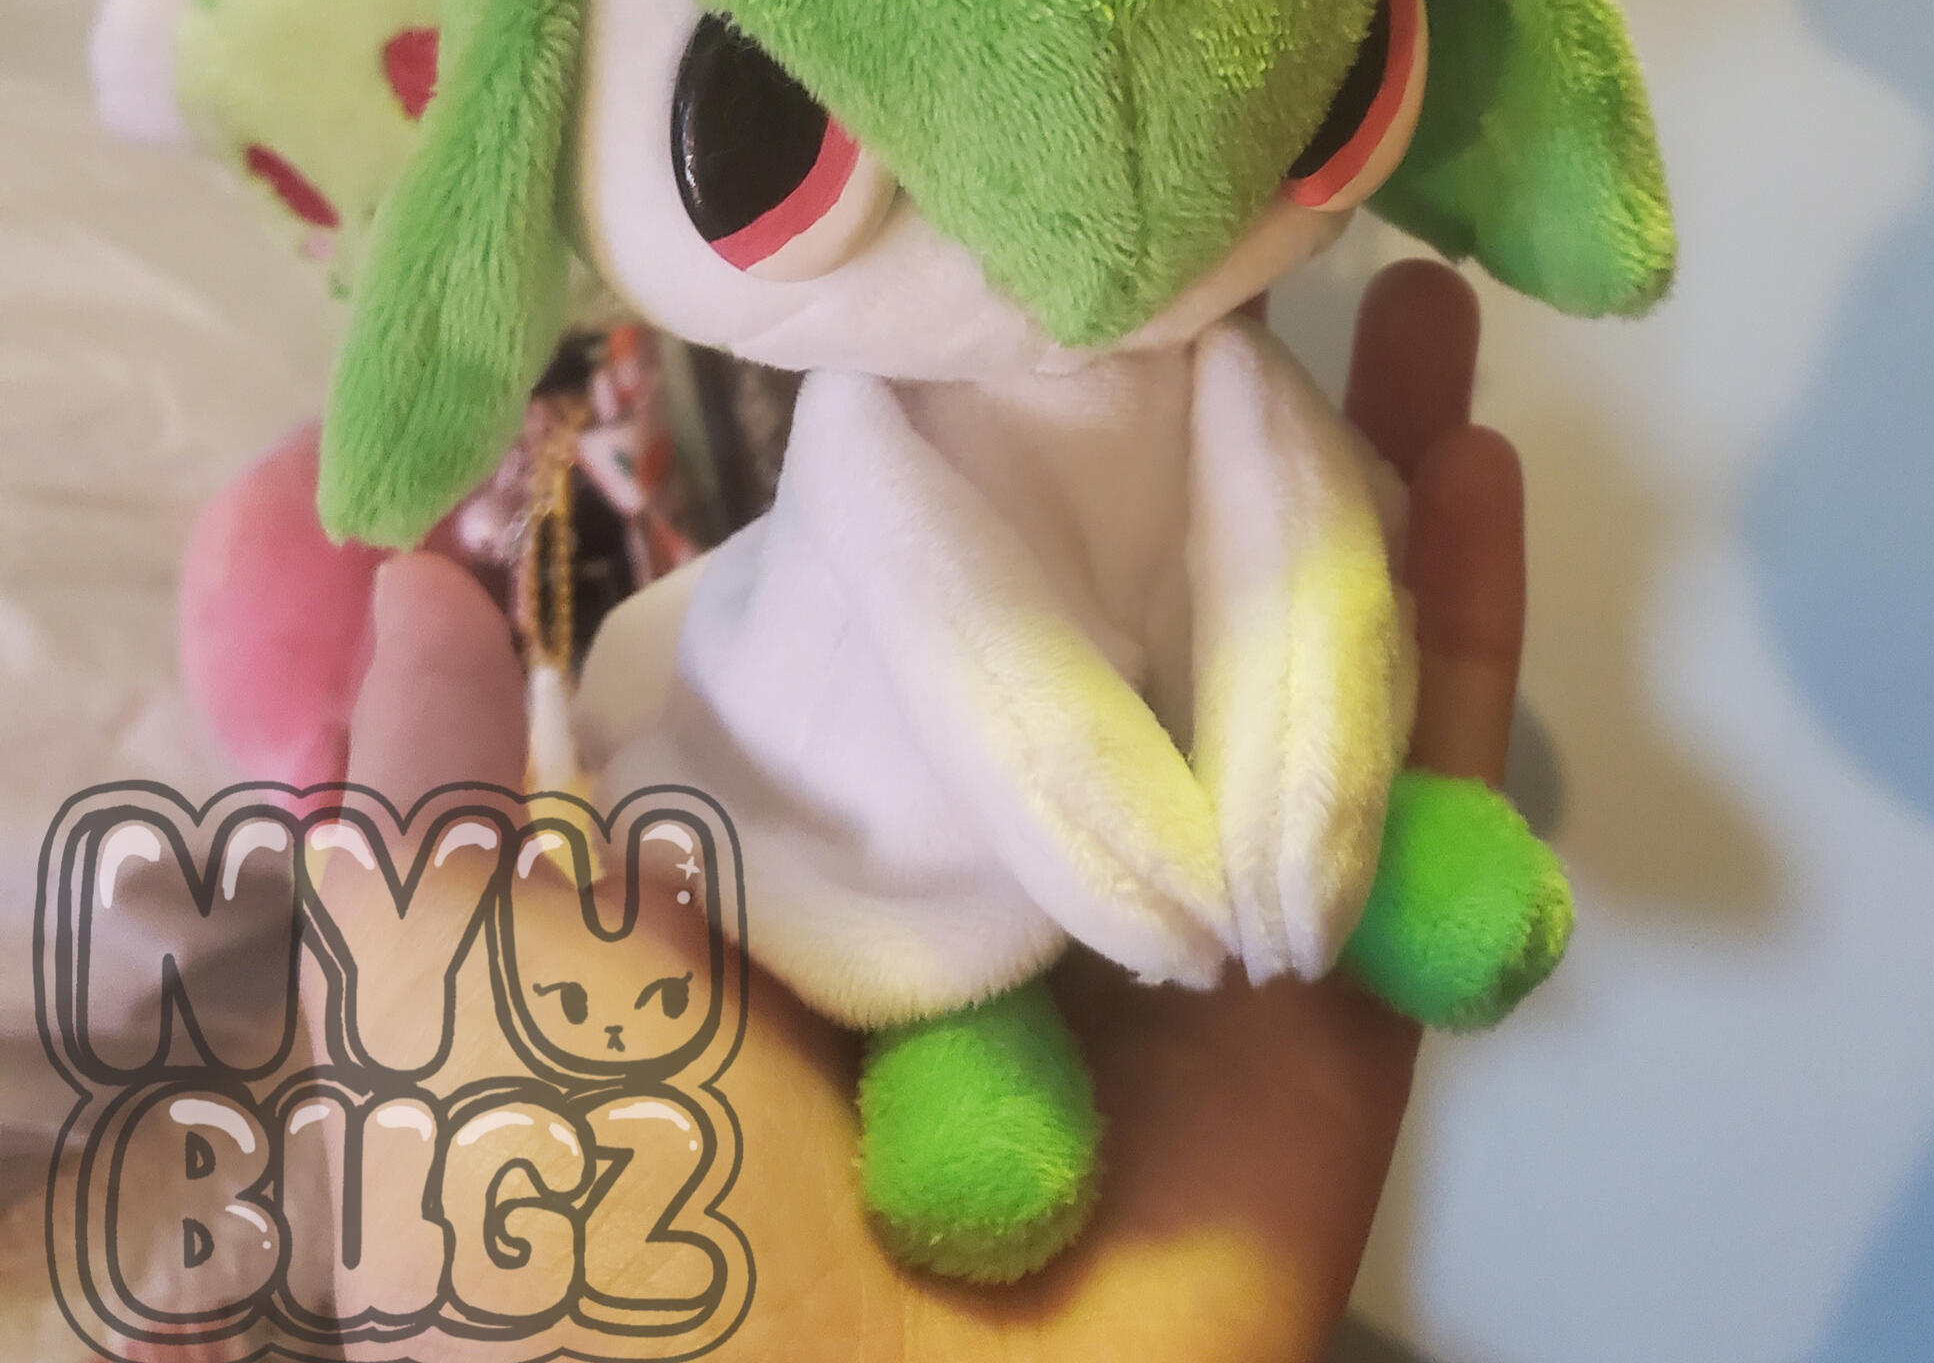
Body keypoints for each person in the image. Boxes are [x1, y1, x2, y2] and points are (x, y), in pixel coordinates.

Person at [344, 260, 1530, 1361]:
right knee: (920, 827)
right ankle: (956, 1022)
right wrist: (1151, 877)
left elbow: (1294, 526)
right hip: (917, 786)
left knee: (1315, 595)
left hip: (1169, 661)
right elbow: (982, 657)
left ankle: (1364, 840)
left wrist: (1312, 827)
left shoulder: (1221, 361)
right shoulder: (873, 426)